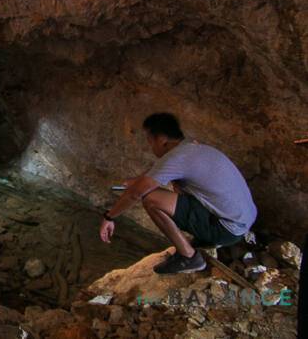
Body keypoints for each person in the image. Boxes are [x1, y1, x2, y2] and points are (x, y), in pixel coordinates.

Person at [99, 113, 257, 274]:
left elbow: (135, 194)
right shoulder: (192, 146)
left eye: (150, 141)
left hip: (228, 229)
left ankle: (189, 257)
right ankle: (203, 241)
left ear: (161, 140)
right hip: (242, 221)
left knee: (151, 199)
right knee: (175, 190)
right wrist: (138, 181)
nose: (150, 146)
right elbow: (158, 171)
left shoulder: (177, 158)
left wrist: (109, 217)